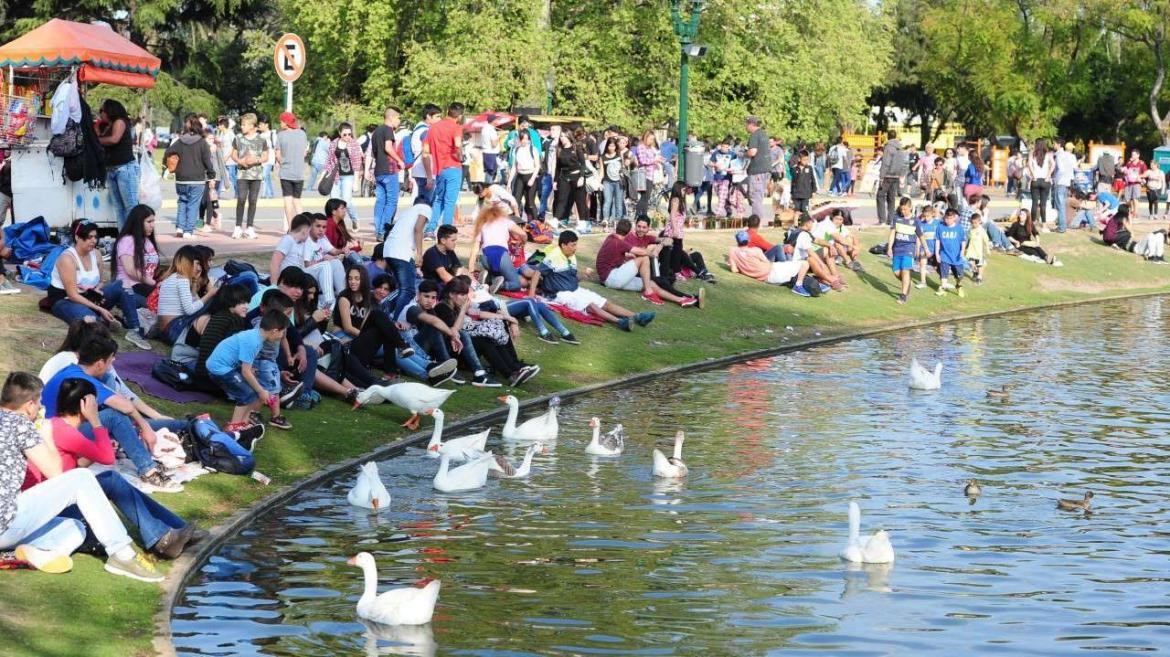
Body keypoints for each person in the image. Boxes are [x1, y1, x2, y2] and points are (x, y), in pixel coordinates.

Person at [0, 372, 165, 581]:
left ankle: (29, 553)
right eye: (40, 403)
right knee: (81, 478)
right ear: (30, 405)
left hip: (8, 523)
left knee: (75, 527)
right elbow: (55, 473)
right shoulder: (21, 425)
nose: (42, 408)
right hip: (6, 523)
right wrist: (45, 432)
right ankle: (122, 554)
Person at [27, 378, 206, 559]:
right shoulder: (67, 432)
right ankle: (162, 539)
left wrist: (98, 447)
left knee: (112, 480)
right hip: (54, 509)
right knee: (112, 480)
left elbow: (74, 467)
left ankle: (177, 530)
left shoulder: (59, 425)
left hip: (59, 496)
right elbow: (107, 458)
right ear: (85, 406)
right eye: (94, 404)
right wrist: (96, 422)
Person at [41, 332, 184, 490]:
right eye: (111, 359)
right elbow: (127, 407)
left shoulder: (72, 370)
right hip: (58, 434)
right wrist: (146, 428)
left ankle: (133, 438)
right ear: (100, 363)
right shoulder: (84, 380)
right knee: (116, 417)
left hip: (57, 426)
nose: (114, 362)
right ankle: (148, 469)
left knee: (112, 390)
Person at [536, 231, 654, 332]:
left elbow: (572, 278)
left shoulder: (571, 256)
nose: (575, 248)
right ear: (563, 245)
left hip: (575, 289)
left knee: (605, 303)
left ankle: (637, 317)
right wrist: (531, 295)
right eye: (573, 245)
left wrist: (583, 276)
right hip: (560, 294)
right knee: (590, 305)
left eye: (576, 244)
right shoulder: (553, 257)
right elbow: (537, 273)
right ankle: (620, 322)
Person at [46, 221, 140, 343]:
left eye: (95, 237)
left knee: (122, 284)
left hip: (88, 296)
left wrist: (97, 290)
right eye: (89, 237)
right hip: (66, 300)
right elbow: (72, 295)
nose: (94, 241)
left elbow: (100, 281)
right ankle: (102, 321)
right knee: (92, 324)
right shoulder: (67, 259)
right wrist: (100, 308)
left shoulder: (96, 254)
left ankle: (135, 329)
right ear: (77, 237)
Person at [207, 309, 292, 430]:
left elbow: (245, 363)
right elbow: (245, 372)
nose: (282, 336)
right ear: (274, 331)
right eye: (282, 332)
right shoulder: (254, 342)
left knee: (252, 392)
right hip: (219, 368)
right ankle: (234, 427)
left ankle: (244, 422)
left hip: (225, 366)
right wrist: (262, 391)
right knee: (246, 394)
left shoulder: (256, 336)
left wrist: (257, 387)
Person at [448, 276, 538, 385]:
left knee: (495, 327)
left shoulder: (461, 305)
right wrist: (463, 311)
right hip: (456, 352)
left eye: (466, 293)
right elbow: (455, 331)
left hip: (464, 344)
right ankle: (510, 374)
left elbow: (479, 313)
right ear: (451, 294)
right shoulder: (445, 308)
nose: (466, 297)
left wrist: (509, 319)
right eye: (462, 294)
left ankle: (514, 367)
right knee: (484, 340)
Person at [397, 280, 489, 386]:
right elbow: (434, 322)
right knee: (434, 327)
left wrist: (453, 336)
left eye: (433, 298)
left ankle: (479, 373)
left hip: (426, 351)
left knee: (463, 334)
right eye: (426, 296)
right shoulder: (412, 308)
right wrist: (452, 335)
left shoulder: (431, 310)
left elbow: (452, 329)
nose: (430, 301)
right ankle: (449, 369)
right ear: (418, 295)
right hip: (411, 352)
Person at [597, 218, 699, 307]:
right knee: (645, 258)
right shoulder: (619, 241)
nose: (641, 229)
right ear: (629, 232)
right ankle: (649, 292)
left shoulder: (611, 237)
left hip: (614, 278)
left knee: (650, 283)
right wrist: (652, 253)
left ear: (616, 229)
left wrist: (659, 247)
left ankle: (681, 300)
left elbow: (667, 240)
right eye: (639, 226)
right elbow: (639, 252)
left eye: (644, 227)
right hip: (613, 277)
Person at [107, 205, 159, 349]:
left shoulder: (147, 241)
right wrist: (154, 283)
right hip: (130, 286)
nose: (152, 225)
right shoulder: (127, 241)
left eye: (153, 221)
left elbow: (152, 269)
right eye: (149, 221)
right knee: (155, 306)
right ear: (138, 222)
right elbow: (130, 270)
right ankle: (133, 325)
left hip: (145, 286)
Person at [164, 113, 215, 238]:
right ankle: (188, 231)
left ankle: (180, 228)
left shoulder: (179, 141)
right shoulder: (202, 143)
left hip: (181, 178)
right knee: (193, 205)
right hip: (197, 179)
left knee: (182, 202)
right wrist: (211, 175)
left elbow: (167, 153)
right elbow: (207, 162)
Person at [155, 246, 218, 345]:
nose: (199, 268)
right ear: (187, 263)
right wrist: (209, 294)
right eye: (197, 264)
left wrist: (194, 286)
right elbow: (190, 310)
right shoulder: (182, 280)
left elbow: (194, 305)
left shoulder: (174, 277)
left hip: (167, 331)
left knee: (211, 302)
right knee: (214, 300)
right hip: (174, 329)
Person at [467, 205, 533, 295]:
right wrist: (522, 243)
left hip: (484, 255)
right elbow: (523, 234)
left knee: (498, 274)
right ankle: (501, 285)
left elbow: (474, 251)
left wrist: (471, 270)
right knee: (516, 284)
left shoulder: (483, 225)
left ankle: (488, 278)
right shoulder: (505, 221)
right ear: (500, 214)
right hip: (500, 253)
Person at [422, 103, 465, 235]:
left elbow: (425, 152)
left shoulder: (433, 128)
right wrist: (460, 156)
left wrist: (429, 174)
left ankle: (430, 229)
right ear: (460, 115)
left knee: (439, 199)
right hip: (453, 167)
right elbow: (457, 145)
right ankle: (446, 231)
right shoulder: (456, 127)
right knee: (450, 201)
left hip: (439, 169)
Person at [96, 100, 139, 228]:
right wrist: (97, 129)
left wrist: (96, 139)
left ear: (110, 111)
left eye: (102, 111)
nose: (101, 114)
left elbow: (114, 139)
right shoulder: (109, 124)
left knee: (130, 207)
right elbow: (102, 141)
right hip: (112, 169)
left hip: (124, 168)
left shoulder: (120, 121)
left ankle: (134, 238)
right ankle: (123, 237)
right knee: (119, 208)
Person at [728, 231, 811, 293]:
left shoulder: (733, 251)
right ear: (748, 240)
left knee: (783, 250)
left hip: (767, 278)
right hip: (773, 271)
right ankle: (798, 286)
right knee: (804, 264)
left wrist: (743, 268)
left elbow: (734, 270)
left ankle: (802, 280)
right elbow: (767, 262)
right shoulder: (755, 251)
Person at [368, 107, 405, 241]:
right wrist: (399, 160)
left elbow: (373, 153)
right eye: (398, 118)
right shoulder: (388, 130)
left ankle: (378, 231)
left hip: (378, 171)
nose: (399, 121)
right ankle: (384, 231)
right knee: (391, 202)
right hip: (389, 171)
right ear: (392, 118)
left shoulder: (376, 131)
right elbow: (388, 148)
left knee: (380, 202)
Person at [230, 113, 267, 239]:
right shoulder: (238, 138)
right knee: (241, 199)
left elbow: (266, 157)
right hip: (242, 174)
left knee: (253, 200)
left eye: (244, 124)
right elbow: (233, 154)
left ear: (252, 126)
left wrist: (255, 160)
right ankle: (237, 227)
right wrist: (240, 161)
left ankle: (250, 227)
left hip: (256, 175)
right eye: (241, 124)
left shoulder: (261, 140)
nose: (242, 126)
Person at [300, 213, 347, 309]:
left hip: (319, 270)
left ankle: (344, 297)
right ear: (310, 226)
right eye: (318, 226)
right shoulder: (307, 241)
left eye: (324, 227)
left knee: (336, 262)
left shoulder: (322, 238)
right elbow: (307, 264)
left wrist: (343, 250)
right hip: (305, 273)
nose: (321, 229)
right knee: (326, 264)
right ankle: (329, 302)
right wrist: (323, 260)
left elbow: (333, 251)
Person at [886, 197, 926, 305]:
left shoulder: (915, 221)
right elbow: (892, 234)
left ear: (910, 208)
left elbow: (921, 236)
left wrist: (925, 249)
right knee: (896, 272)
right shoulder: (896, 218)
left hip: (909, 249)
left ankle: (903, 296)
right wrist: (889, 247)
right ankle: (908, 283)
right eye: (901, 209)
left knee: (905, 270)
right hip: (897, 249)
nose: (903, 211)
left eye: (905, 209)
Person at [275, 111, 308, 232]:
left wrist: (282, 162)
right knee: (297, 201)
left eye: (281, 121)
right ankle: (304, 227)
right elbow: (304, 152)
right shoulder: (302, 134)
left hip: (286, 172)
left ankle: (291, 228)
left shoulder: (281, 135)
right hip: (299, 172)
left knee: (288, 202)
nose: (280, 123)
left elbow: (278, 154)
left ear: (286, 122)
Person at [814, 208, 864, 273]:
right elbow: (839, 238)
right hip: (818, 250)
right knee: (838, 243)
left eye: (840, 219)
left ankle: (854, 260)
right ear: (832, 218)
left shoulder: (840, 226)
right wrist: (854, 246)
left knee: (849, 239)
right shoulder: (827, 224)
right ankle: (848, 262)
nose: (838, 221)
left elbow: (853, 236)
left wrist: (856, 248)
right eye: (836, 219)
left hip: (830, 249)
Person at [934, 208, 967, 297]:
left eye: (950, 218)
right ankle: (943, 288)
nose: (947, 220)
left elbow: (963, 241)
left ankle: (958, 285)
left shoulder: (959, 228)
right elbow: (937, 241)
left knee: (959, 276)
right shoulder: (940, 227)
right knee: (944, 274)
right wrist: (937, 254)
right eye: (946, 218)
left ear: (954, 218)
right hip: (944, 255)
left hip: (956, 257)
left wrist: (962, 251)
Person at [876, 130, 905, 226]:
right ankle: (891, 220)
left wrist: (881, 176)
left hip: (888, 175)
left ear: (888, 136)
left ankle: (882, 220)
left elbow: (886, 162)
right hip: (896, 175)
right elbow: (903, 163)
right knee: (891, 198)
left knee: (880, 195)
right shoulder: (900, 148)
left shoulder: (889, 147)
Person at [744, 116, 771, 218]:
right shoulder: (764, 134)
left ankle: (756, 221)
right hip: (765, 170)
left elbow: (752, 152)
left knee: (755, 196)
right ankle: (757, 218)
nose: (745, 126)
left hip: (757, 171)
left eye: (746, 124)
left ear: (751, 124)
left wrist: (743, 154)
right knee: (755, 195)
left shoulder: (754, 135)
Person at [1027, 139, 1055, 229]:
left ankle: (1032, 223)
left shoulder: (1032, 153)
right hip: (1045, 181)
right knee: (1043, 204)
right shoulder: (1048, 154)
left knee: (1034, 203)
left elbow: (1029, 164)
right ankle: (1044, 224)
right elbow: (1053, 164)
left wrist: (1033, 175)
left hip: (1035, 180)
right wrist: (1048, 175)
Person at [1053, 140, 1077, 232]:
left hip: (1060, 182)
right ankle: (1062, 225)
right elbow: (1075, 167)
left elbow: (1060, 169)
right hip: (1067, 183)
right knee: (1062, 204)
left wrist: (1056, 180)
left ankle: (1062, 227)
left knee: (1060, 205)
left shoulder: (1060, 155)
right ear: (1071, 149)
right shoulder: (1072, 156)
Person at [915, 205, 941, 290]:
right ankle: (923, 282)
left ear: (933, 214)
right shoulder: (921, 224)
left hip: (935, 250)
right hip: (924, 249)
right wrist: (918, 250)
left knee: (937, 267)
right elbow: (919, 238)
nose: (926, 218)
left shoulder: (938, 223)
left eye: (928, 216)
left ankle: (943, 282)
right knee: (922, 264)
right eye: (924, 216)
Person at [1121, 150, 1149, 218]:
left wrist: (1139, 176)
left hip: (1136, 183)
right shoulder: (1129, 163)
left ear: (1138, 155)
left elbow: (1146, 174)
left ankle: (1135, 213)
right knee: (1127, 199)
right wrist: (1124, 172)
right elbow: (1125, 171)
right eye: (1132, 154)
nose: (1132, 156)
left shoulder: (1142, 163)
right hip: (1128, 183)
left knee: (1135, 198)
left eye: (1134, 155)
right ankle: (1131, 210)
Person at [965, 213, 990, 284]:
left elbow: (986, 240)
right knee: (970, 263)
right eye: (972, 223)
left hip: (979, 252)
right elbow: (968, 239)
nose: (974, 224)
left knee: (979, 264)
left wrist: (987, 249)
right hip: (971, 251)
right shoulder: (970, 230)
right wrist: (965, 247)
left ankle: (979, 277)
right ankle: (975, 272)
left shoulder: (981, 230)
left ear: (979, 222)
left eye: (975, 223)